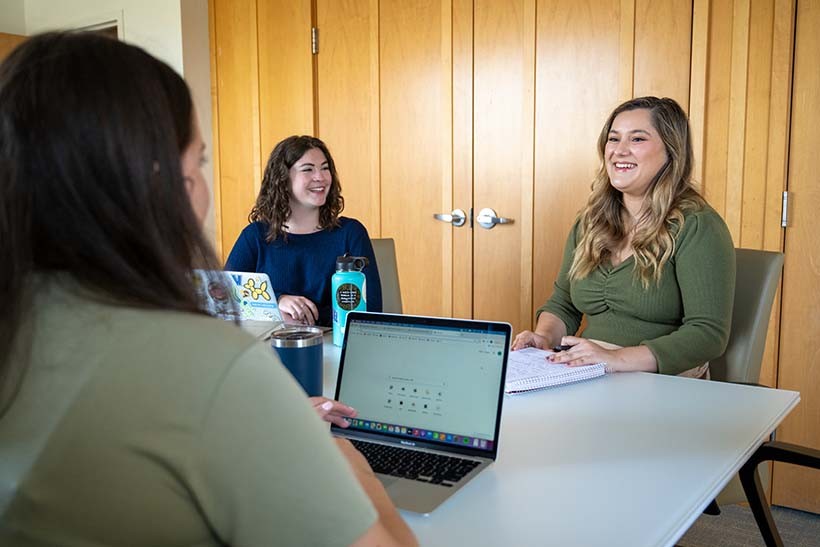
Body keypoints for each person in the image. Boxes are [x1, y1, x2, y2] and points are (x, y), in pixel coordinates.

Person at [0, 32, 415, 546]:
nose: (203, 185)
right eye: (197, 161)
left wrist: (259, 412)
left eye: (324, 167)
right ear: (162, 182)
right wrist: (349, 464)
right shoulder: (214, 364)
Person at [512, 97, 735, 377]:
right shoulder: (590, 221)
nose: (619, 151)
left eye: (637, 139)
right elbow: (563, 302)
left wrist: (615, 358)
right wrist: (544, 337)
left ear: (671, 150)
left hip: (662, 379)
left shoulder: (698, 226)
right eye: (613, 139)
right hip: (592, 368)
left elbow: (708, 334)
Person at [225, 135, 382, 327]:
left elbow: (372, 308)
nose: (321, 177)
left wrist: (305, 319)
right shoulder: (254, 236)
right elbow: (224, 298)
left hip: (337, 346)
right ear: (282, 179)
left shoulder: (351, 233)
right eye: (308, 169)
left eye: (325, 168)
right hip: (269, 349)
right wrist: (277, 302)